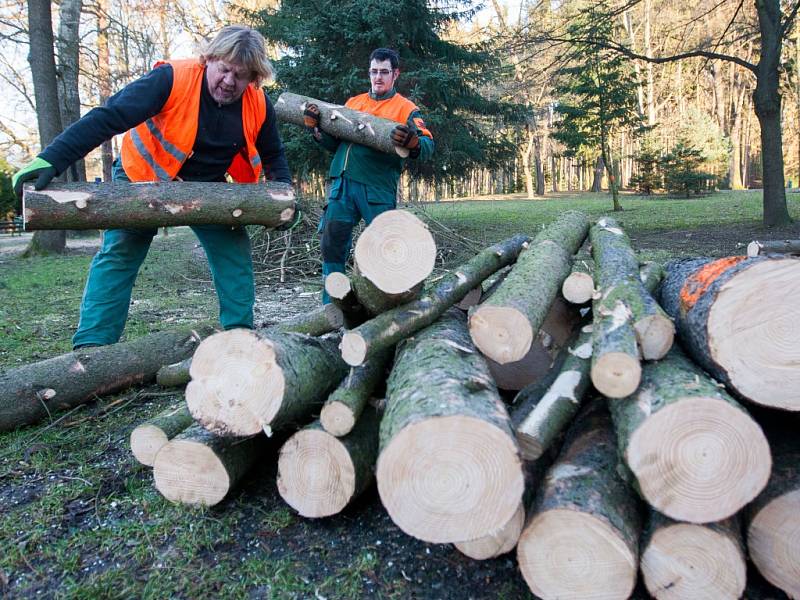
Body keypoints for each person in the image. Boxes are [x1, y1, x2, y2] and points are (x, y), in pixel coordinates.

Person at [11, 25, 292, 349]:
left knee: (233, 252)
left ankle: (240, 339)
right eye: (224, 70)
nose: (229, 82)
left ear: (254, 78)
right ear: (209, 59)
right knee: (121, 251)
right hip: (141, 175)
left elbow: (274, 155)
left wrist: (282, 200)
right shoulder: (172, 79)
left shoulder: (258, 104)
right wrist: (52, 159)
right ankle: (92, 351)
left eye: (240, 76)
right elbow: (109, 117)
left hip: (208, 187)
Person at [303, 48, 434, 303]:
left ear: (395, 74)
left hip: (377, 188)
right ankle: (332, 306)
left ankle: (393, 305)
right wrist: (316, 129)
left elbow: (428, 146)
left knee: (387, 247)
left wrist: (413, 143)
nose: (378, 77)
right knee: (332, 245)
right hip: (342, 185)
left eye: (384, 72)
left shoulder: (406, 109)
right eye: (374, 71)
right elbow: (335, 144)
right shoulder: (354, 103)